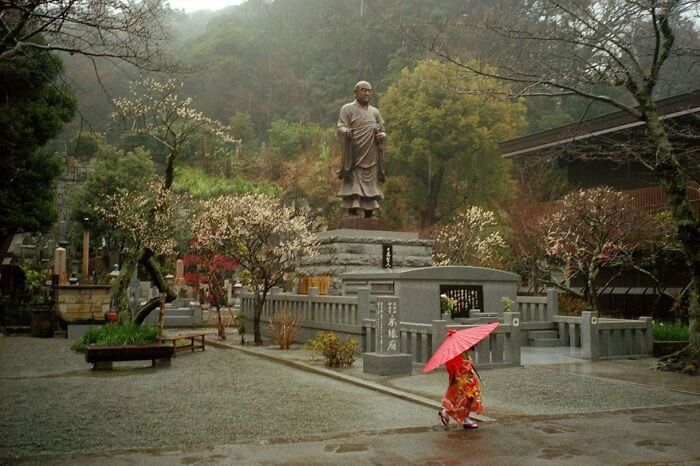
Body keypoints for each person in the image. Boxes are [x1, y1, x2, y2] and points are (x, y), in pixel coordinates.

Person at [336, 80, 387, 218]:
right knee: (354, 181)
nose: (367, 93)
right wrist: (345, 131)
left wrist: (382, 136)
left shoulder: (375, 112)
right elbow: (340, 126)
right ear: (356, 91)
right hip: (354, 153)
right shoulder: (347, 109)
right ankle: (352, 210)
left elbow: (382, 130)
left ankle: (369, 212)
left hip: (371, 153)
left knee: (371, 182)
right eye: (364, 90)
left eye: (369, 91)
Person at [438, 350, 483, 429]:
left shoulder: (463, 351)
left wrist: (470, 365)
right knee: (464, 399)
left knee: (468, 398)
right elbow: (458, 367)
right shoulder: (455, 352)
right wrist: (467, 367)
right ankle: (464, 418)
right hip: (463, 379)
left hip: (468, 379)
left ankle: (447, 412)